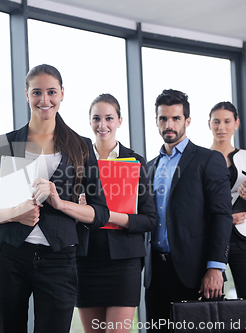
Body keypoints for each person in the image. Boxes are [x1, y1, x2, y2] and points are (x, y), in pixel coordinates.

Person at [0, 64, 109, 333]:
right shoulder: (3, 144)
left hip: (59, 260)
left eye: (52, 92)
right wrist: (13, 213)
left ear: (62, 94)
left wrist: (60, 203)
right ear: (27, 94)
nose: (45, 100)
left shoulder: (81, 146)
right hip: (9, 258)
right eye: (37, 92)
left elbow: (100, 213)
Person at [144, 89, 233, 332]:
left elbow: (221, 216)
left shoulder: (208, 159)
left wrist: (216, 267)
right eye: (163, 118)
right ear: (156, 121)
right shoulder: (149, 167)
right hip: (156, 275)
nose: (169, 124)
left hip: (195, 273)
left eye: (175, 118)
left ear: (188, 121)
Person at [76, 94, 156, 333]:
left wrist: (105, 214)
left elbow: (149, 219)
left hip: (124, 263)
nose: (103, 125)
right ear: (89, 122)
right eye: (96, 118)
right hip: (85, 261)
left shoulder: (135, 161)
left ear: (120, 120)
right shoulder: (76, 161)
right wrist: (78, 206)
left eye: (109, 118)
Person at [209, 101, 246, 320]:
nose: (221, 127)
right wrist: (225, 218)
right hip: (211, 241)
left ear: (237, 124)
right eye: (216, 121)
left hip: (245, 241)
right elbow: (193, 208)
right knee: (210, 305)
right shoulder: (200, 159)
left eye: (227, 121)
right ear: (209, 124)